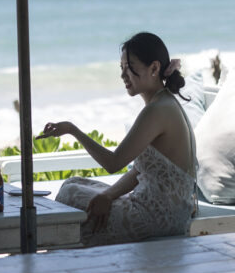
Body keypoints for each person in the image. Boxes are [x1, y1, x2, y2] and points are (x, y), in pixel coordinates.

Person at [37, 32, 197, 247]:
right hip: (164, 210)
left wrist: (72, 130)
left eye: (129, 67)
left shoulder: (157, 110)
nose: (123, 75)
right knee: (73, 183)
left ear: (154, 68)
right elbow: (141, 170)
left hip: (158, 217)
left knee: (70, 194)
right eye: (121, 67)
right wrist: (107, 195)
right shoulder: (163, 103)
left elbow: (113, 163)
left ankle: (58, 253)